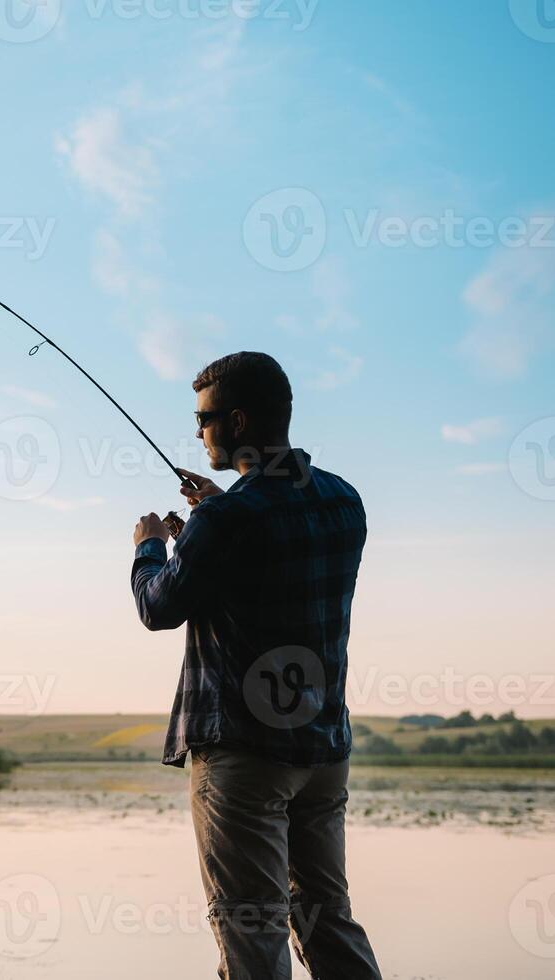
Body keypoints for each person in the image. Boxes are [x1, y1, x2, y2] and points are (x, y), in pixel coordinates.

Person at [129, 351, 382, 979]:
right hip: (324, 750)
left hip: (244, 755)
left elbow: (158, 606)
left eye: (204, 419)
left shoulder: (224, 520)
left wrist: (152, 546)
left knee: (252, 935)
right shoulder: (345, 501)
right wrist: (219, 507)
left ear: (237, 421)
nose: (197, 432)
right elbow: (274, 541)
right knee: (329, 918)